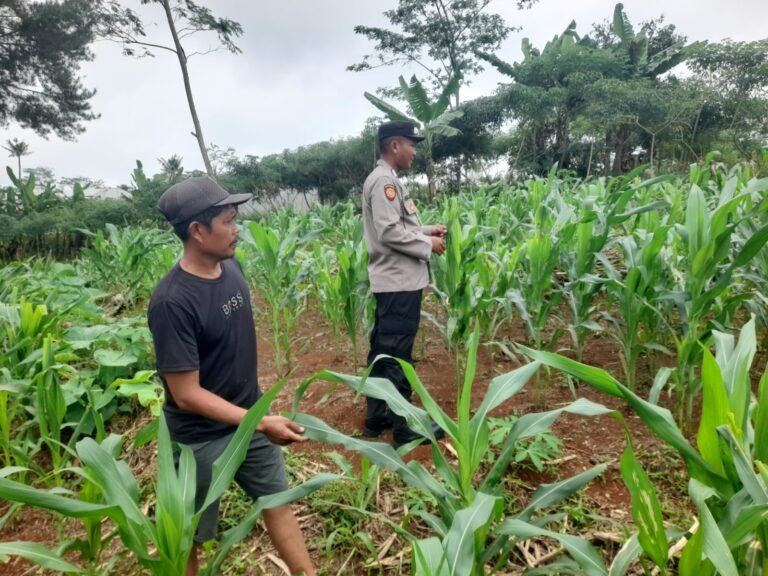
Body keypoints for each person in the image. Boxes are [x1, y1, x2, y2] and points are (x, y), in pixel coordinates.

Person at [147, 176, 315, 576]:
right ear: (197, 231)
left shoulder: (230, 266)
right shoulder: (172, 302)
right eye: (228, 220)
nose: (237, 228)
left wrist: (257, 419)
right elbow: (185, 394)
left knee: (277, 501)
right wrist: (258, 421)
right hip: (198, 441)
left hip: (250, 419)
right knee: (188, 532)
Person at [361, 120, 448, 447]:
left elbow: (398, 226)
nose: (414, 151)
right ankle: (405, 424)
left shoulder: (384, 179)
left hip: (392, 282)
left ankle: (377, 414)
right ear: (395, 145)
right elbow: (389, 232)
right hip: (398, 282)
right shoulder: (385, 181)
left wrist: (426, 231)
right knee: (398, 354)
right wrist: (428, 246)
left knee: (384, 350)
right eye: (411, 144)